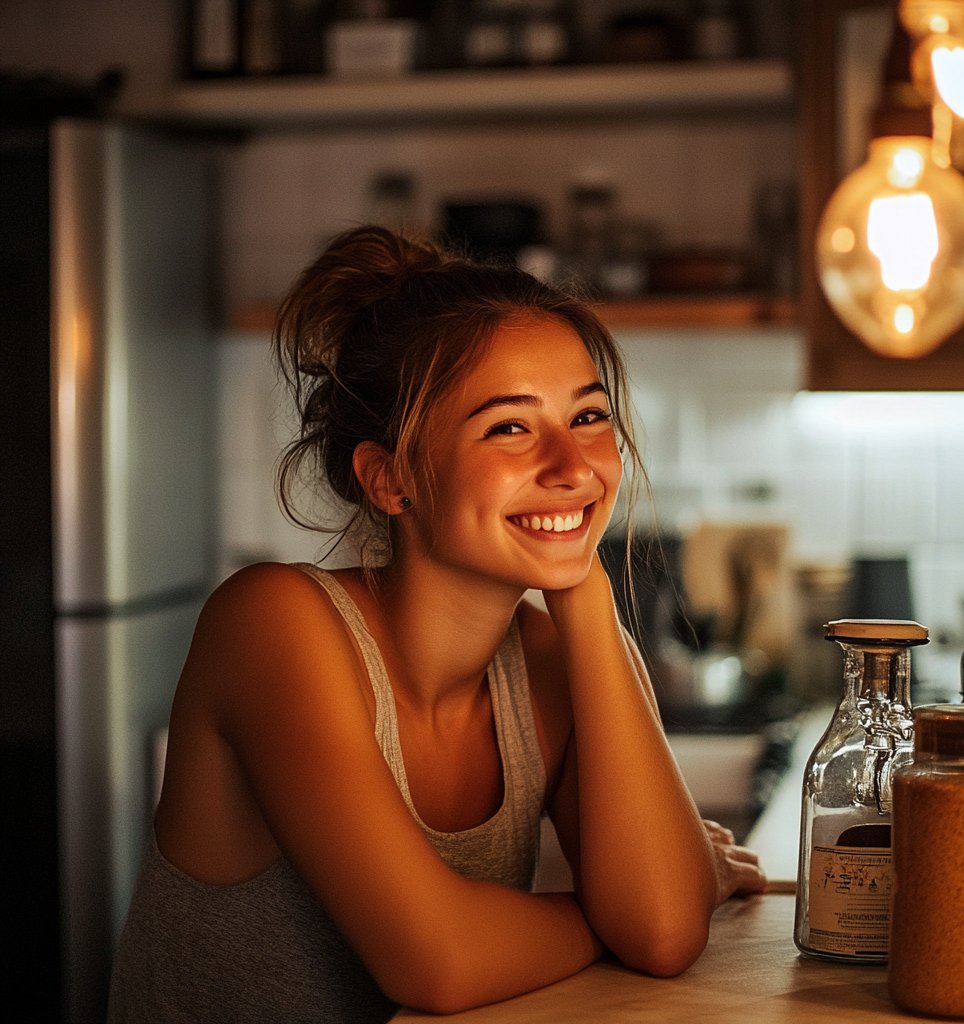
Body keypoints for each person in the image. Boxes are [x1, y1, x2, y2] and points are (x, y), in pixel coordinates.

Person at [107, 225, 766, 1022]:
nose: (572, 466)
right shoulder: (273, 623)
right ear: (389, 480)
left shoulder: (554, 658)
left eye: (589, 418)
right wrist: (608, 917)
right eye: (509, 427)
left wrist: (584, 587)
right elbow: (437, 964)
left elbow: (661, 934)